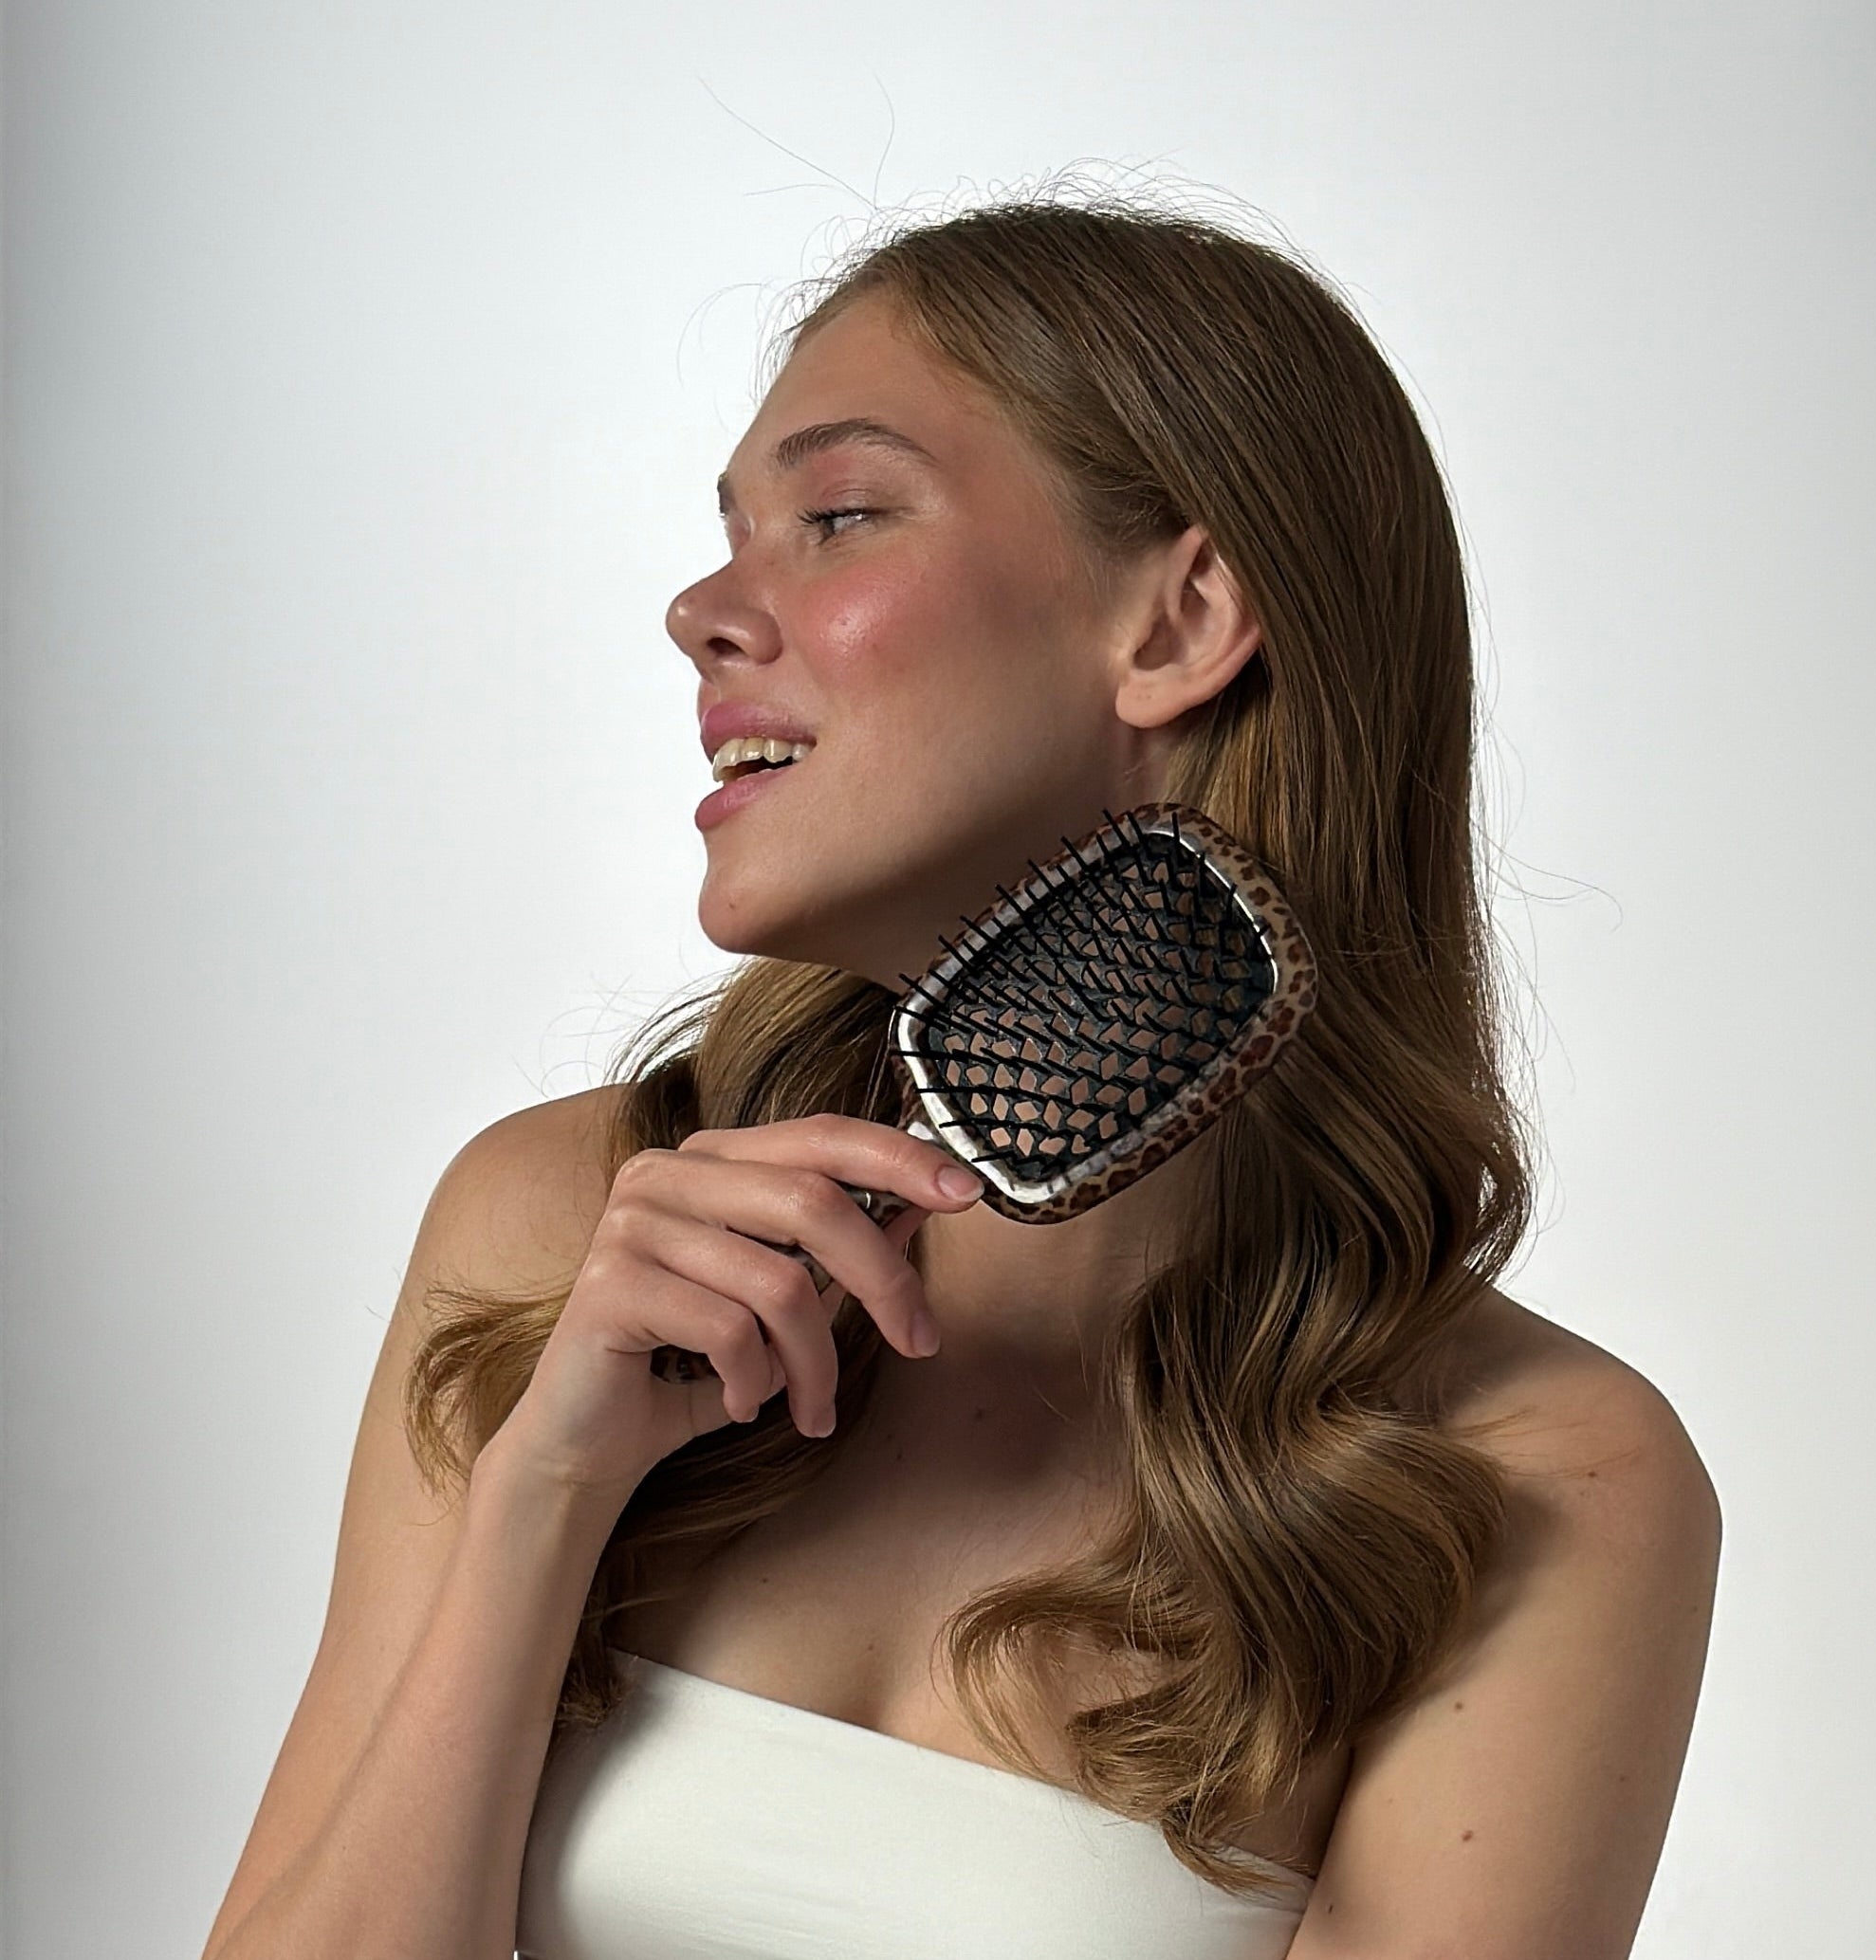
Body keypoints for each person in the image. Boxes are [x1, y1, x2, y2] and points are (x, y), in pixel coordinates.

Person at [199, 192, 1722, 1960]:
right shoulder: (555, 1236)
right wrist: (548, 1495)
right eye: (729, 534)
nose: (700, 608)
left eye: (838, 517)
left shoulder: (1529, 1481)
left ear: (1180, 617)